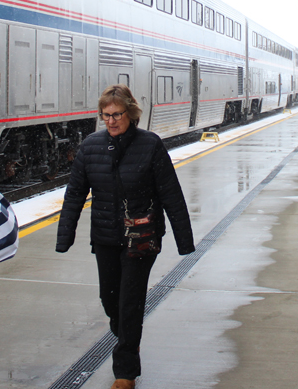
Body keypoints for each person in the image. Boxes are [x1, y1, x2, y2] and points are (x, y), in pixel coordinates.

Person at [56, 85, 195, 389]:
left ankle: (125, 371)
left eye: (117, 114)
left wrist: (185, 240)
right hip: (105, 237)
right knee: (111, 300)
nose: (111, 121)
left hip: (142, 237)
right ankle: (128, 338)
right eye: (106, 115)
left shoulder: (150, 145)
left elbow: (171, 194)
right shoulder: (91, 146)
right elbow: (75, 194)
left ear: (130, 113)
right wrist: (64, 236)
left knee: (130, 301)